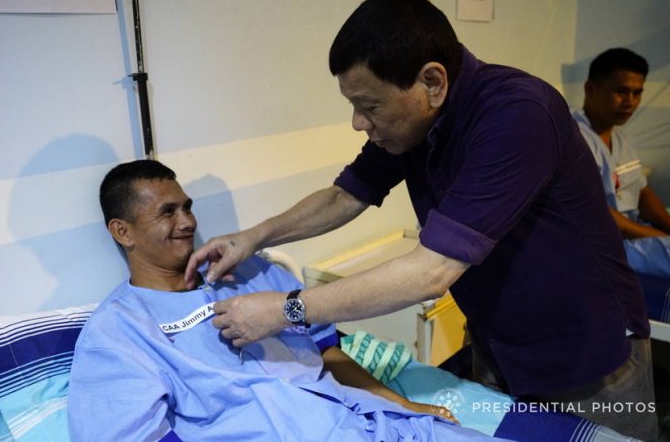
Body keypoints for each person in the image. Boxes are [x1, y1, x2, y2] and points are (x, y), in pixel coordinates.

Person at [185, 0, 658, 440]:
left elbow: (431, 271)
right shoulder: (412, 124)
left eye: (368, 106)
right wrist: (252, 236)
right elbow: (343, 197)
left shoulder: (516, 114)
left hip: (587, 348)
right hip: (501, 343)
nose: (358, 123)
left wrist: (284, 309)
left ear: (432, 82)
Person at [67, 159, 500, 442]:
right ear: (122, 232)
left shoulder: (249, 272)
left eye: (187, 207)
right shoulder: (119, 330)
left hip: (366, 422)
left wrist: (402, 405)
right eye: (167, 212)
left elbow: (330, 353)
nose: (188, 222)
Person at [573, 48, 670, 279]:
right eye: (622, 92)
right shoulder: (574, 138)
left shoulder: (621, 138)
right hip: (605, 242)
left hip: (633, 229)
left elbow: (642, 192)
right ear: (590, 89)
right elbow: (597, 212)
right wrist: (661, 238)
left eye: (637, 93)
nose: (630, 102)